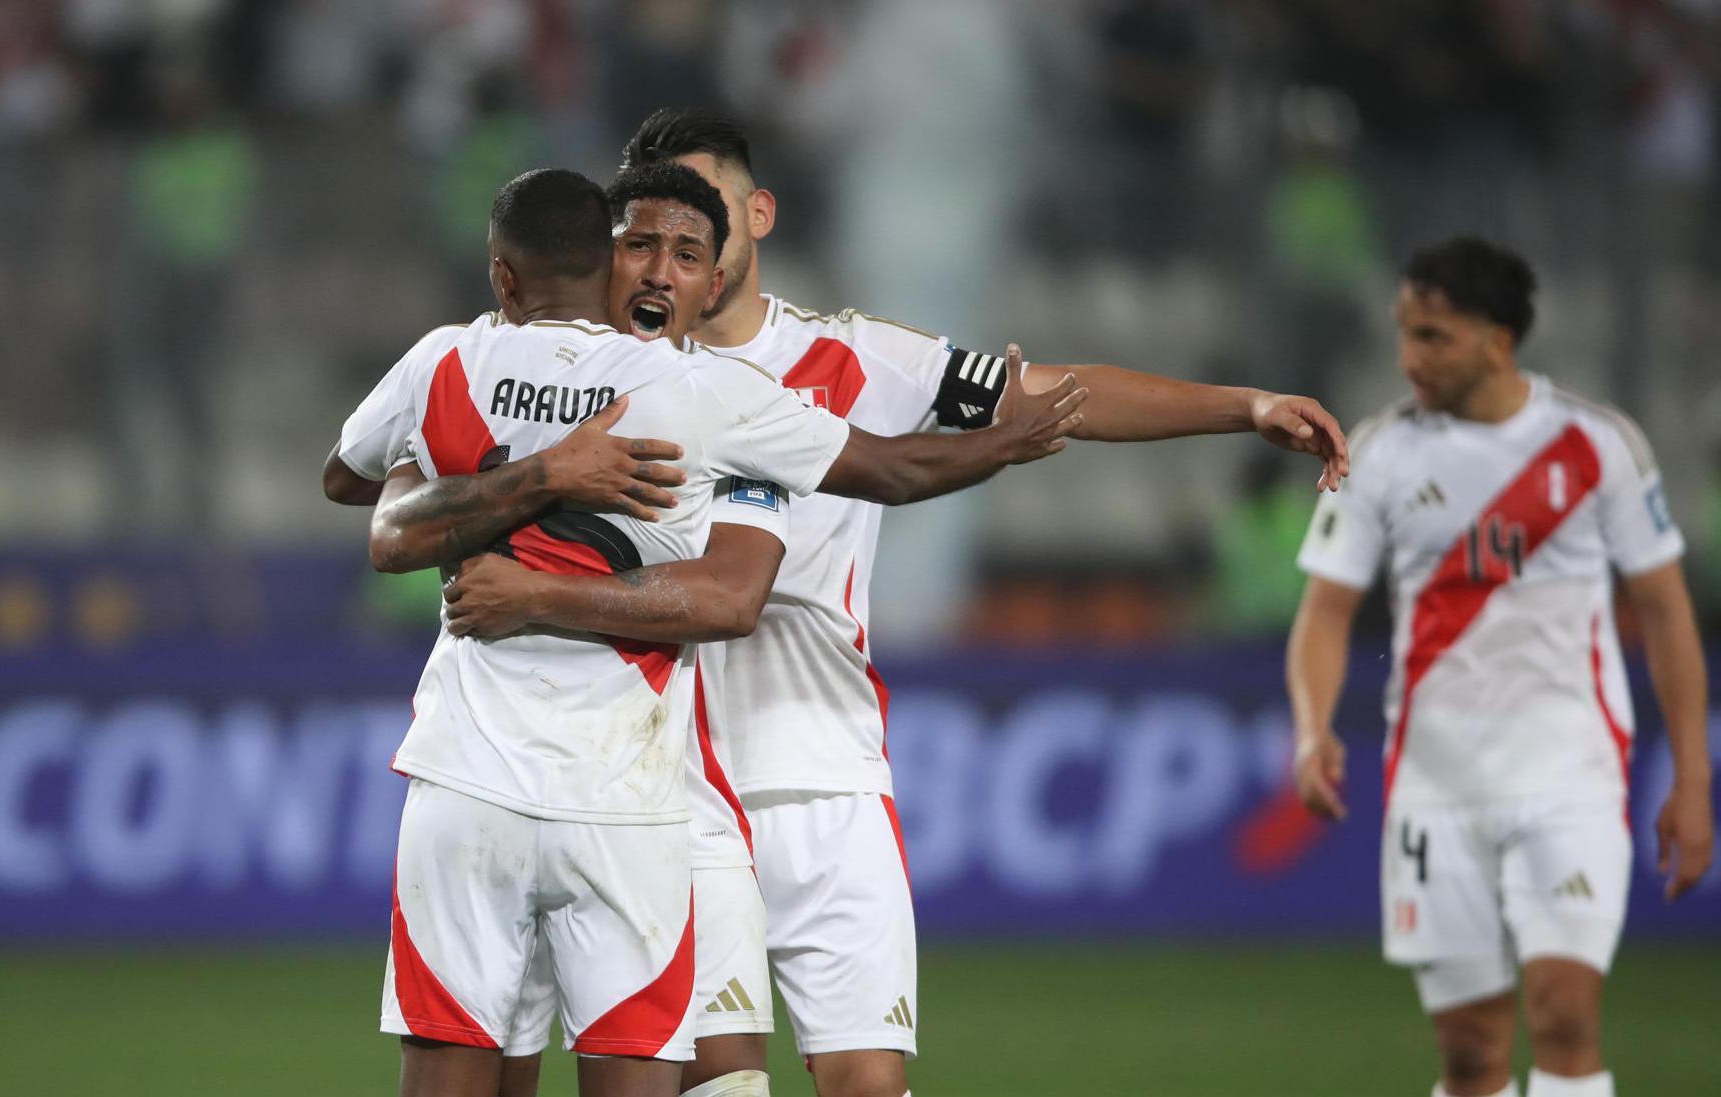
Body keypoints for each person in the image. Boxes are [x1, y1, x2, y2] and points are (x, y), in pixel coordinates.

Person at [452, 107, 1349, 1097]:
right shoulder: (605, 377)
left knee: (870, 1083)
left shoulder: (855, 360)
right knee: (717, 1084)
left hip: (828, 767)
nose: (674, 241)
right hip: (667, 782)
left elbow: (1054, 392)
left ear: (756, 214)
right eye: (648, 228)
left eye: (703, 209)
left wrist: (1243, 405)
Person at [343, 165, 1083, 1097]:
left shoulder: (455, 360)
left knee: (466, 1067)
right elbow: (882, 477)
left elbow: (364, 497)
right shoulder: (715, 400)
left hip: (473, 782)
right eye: (641, 248)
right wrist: (1001, 444)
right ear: (601, 257)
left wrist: (522, 543)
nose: (659, 273)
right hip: (624, 804)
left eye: (686, 255)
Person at [1287, 236, 1714, 1097]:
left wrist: (1695, 779)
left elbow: (1666, 610)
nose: (1410, 356)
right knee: (1471, 1055)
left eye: (1434, 336)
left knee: (1563, 1014)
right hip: (1436, 786)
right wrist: (1312, 729)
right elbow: (1323, 614)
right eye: (1406, 332)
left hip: (1572, 773)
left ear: (1498, 338)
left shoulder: (1596, 447)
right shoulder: (1377, 453)